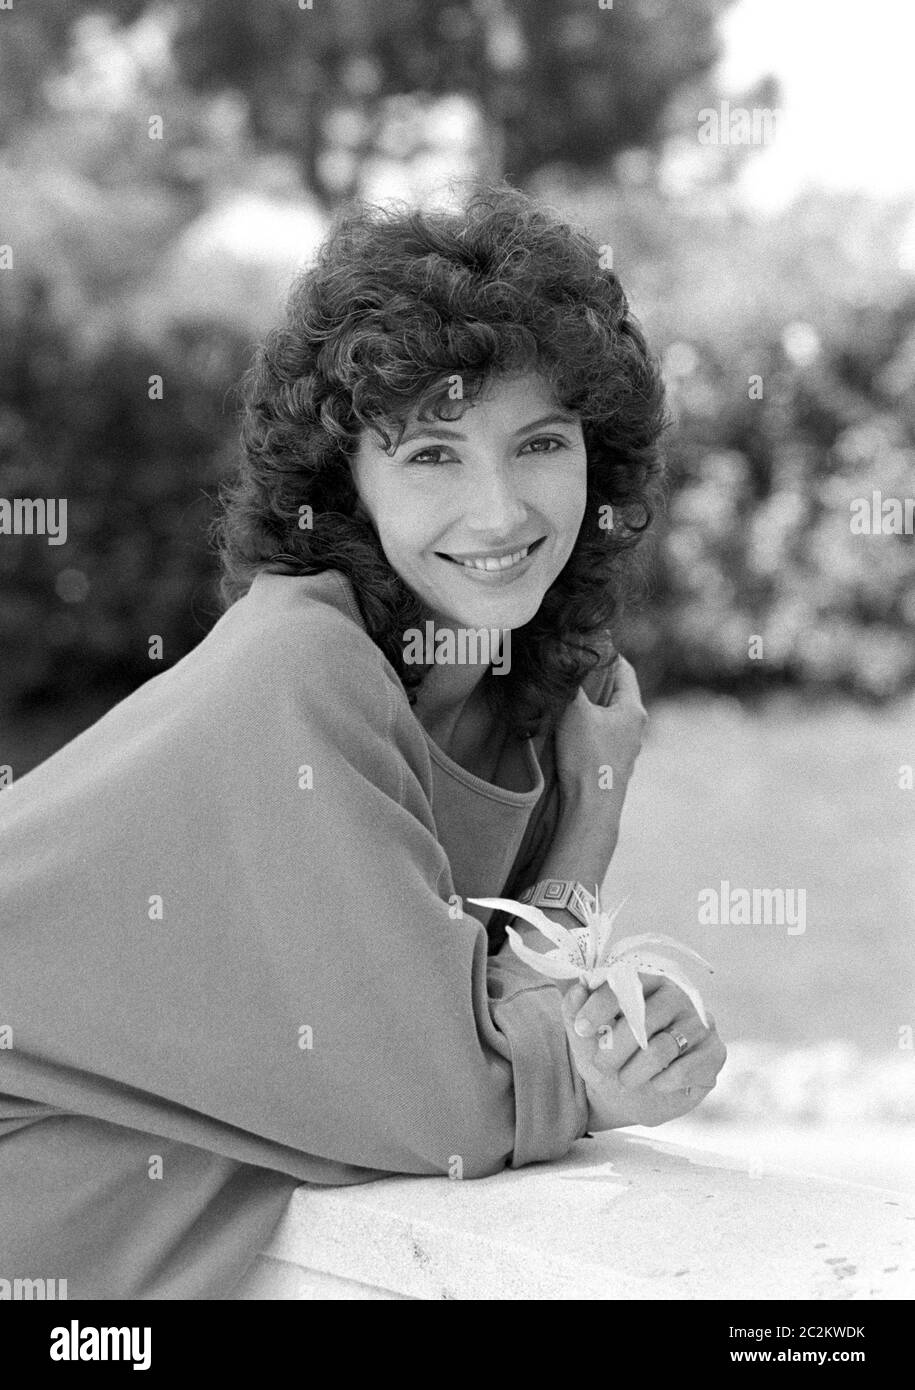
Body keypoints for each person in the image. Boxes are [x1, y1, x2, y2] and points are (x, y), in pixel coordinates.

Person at [0, 183, 726, 1300]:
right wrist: (591, 1073)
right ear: (348, 481)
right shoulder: (301, 666)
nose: (499, 512)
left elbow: (466, 1011)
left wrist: (588, 814)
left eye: (540, 442)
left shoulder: (498, 696)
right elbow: (444, 1098)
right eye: (433, 453)